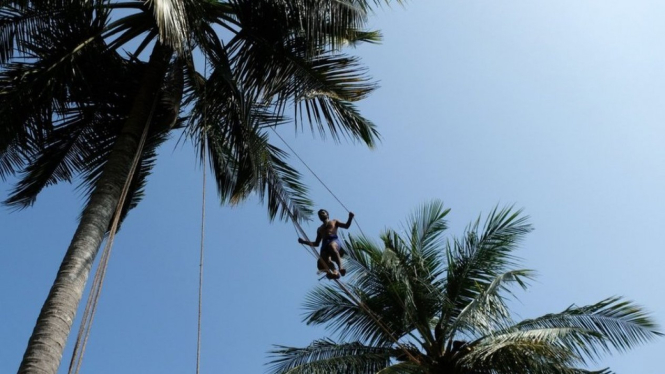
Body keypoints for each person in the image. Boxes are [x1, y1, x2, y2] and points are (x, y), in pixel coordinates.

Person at [298, 209, 354, 279]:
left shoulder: (334, 221)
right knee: (321, 262)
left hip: (333, 240)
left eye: (323, 213)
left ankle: (341, 268)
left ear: (327, 214)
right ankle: (334, 272)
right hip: (324, 244)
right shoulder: (319, 229)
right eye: (319, 215)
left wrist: (350, 218)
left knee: (332, 247)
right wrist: (304, 242)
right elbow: (316, 243)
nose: (321, 214)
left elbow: (346, 226)